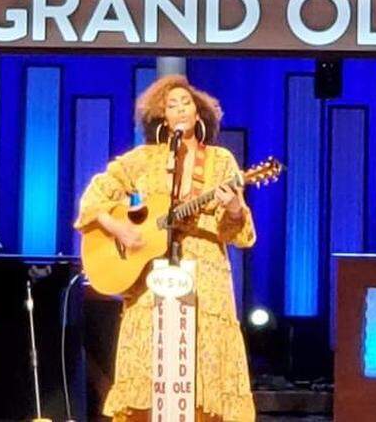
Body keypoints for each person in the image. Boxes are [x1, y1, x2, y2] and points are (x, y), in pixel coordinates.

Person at [74, 75, 256, 421]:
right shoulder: (142, 160)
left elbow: (239, 234)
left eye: (185, 102)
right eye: (171, 105)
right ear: (162, 117)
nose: (179, 109)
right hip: (150, 276)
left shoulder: (220, 161)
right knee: (152, 359)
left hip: (205, 277)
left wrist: (233, 207)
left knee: (202, 359)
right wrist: (121, 230)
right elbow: (94, 199)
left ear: (199, 113)